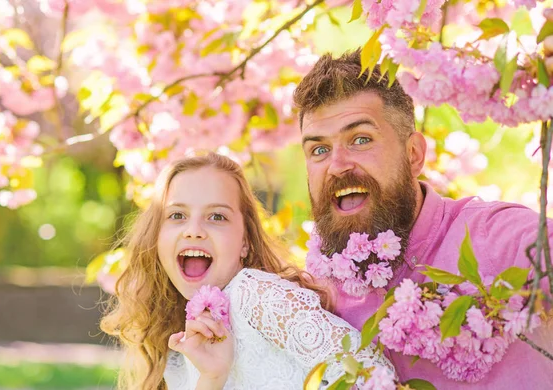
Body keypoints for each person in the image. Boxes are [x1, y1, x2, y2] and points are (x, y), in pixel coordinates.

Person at [292, 10, 553, 390]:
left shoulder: (504, 239)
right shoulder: (313, 301)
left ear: (414, 154)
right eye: (318, 150)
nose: (337, 165)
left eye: (360, 139)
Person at [101, 152, 393, 390]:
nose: (194, 231)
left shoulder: (255, 294)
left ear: (244, 242)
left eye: (217, 216)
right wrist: (212, 379)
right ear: (156, 235)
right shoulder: (176, 349)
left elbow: (372, 374)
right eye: (177, 215)